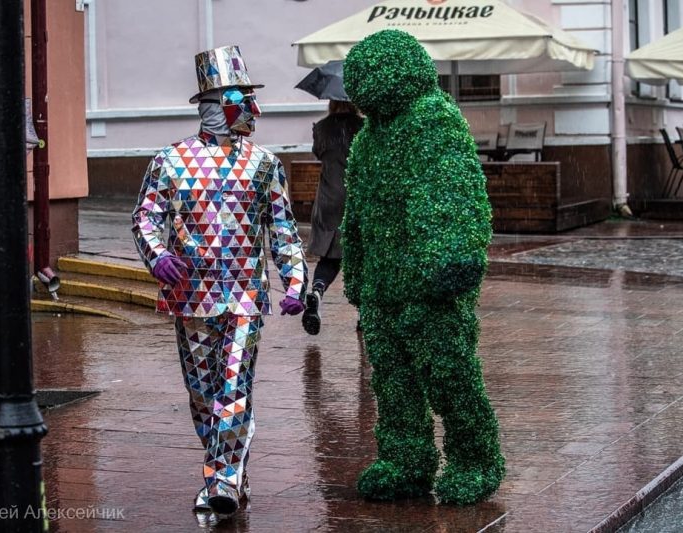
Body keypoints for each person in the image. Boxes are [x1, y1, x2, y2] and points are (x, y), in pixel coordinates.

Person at [131, 45, 307, 519]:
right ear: (215, 106)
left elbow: (282, 227)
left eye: (250, 99)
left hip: (245, 295)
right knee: (202, 393)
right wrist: (158, 256)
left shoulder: (265, 164)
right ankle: (233, 469)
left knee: (233, 385)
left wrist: (294, 281)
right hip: (190, 296)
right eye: (241, 99)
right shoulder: (170, 161)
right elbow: (145, 217)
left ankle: (221, 480)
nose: (252, 110)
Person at [341, 30, 505, 505]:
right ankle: (406, 460)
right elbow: (358, 214)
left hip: (429, 284)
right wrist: (356, 272)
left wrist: (453, 258)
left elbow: (452, 190)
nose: (363, 84)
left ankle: (475, 460)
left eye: (372, 73)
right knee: (393, 381)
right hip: (382, 287)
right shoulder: (368, 139)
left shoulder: (432, 118)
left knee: (449, 375)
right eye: (358, 76)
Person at [301, 100, 363, 336]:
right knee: (360, 255)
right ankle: (364, 312)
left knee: (329, 257)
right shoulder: (362, 127)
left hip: (328, 198)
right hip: (356, 196)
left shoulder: (322, 127)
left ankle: (317, 290)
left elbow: (319, 152)